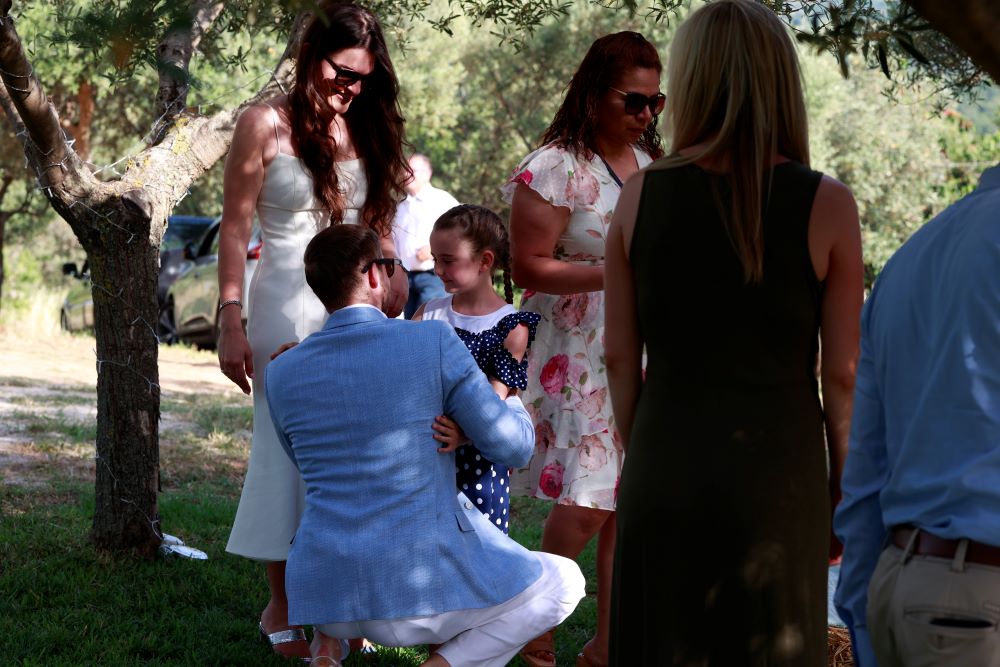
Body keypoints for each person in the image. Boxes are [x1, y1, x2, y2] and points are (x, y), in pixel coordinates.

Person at [603, 1, 863, 664]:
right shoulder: (827, 203)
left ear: (692, 80)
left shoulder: (638, 195)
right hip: (779, 477)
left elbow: (618, 356)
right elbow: (842, 375)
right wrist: (844, 484)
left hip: (663, 461)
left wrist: (649, 451)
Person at [265, 223, 586, 666]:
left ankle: (330, 646)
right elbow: (512, 448)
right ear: (374, 275)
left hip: (326, 592)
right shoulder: (433, 339)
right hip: (414, 589)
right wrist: (509, 396)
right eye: (391, 265)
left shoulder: (281, 369)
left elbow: (304, 462)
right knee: (565, 580)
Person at [216, 2, 409, 660]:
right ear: (310, 55)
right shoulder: (263, 123)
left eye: (363, 78)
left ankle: (344, 604)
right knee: (286, 451)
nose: (350, 87)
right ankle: (283, 601)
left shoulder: (368, 125)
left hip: (356, 304)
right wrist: (230, 316)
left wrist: (392, 273)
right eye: (341, 71)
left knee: (355, 452)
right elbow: (235, 228)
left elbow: (378, 221)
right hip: (284, 303)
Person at [501, 31, 664, 667]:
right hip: (578, 350)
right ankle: (530, 622)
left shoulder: (651, 164)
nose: (646, 114)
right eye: (634, 100)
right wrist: (616, 274)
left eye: (655, 102)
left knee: (629, 506)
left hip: (643, 349)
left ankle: (607, 648)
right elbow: (527, 265)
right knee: (588, 502)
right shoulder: (554, 166)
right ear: (595, 95)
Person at [833, 163, 1000, 667]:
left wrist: (863, 622)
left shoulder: (913, 255)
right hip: (977, 609)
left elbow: (866, 472)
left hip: (901, 593)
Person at [412, 204, 540, 534]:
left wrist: (463, 434)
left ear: (484, 261)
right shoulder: (428, 313)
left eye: (448, 260)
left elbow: (493, 406)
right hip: (426, 453)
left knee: (478, 548)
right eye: (435, 259)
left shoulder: (510, 326)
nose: (437, 269)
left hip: (476, 463)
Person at [394, 154, 460, 319]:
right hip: (406, 278)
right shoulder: (400, 206)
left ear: (427, 174)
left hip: (435, 277)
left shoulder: (442, 200)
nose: (407, 174)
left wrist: (433, 250)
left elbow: (462, 232)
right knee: (410, 326)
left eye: (413, 170)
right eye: (405, 170)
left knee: (430, 324)